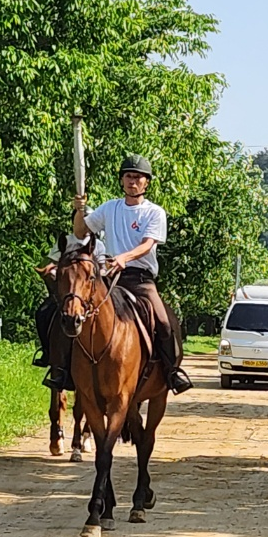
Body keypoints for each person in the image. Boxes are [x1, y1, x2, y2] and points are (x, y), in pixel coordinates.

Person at [45, 154, 193, 395]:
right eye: (128, 176)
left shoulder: (154, 212)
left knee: (164, 321)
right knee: (72, 314)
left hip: (140, 279)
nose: (132, 181)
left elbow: (148, 244)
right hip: (108, 279)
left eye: (137, 177)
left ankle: (171, 372)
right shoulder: (110, 207)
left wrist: (125, 257)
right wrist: (79, 210)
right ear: (121, 180)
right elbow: (81, 231)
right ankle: (62, 369)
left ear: (147, 182)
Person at [32, 234, 106, 372]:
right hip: (67, 289)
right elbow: (52, 263)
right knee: (43, 312)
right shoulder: (66, 241)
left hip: (89, 290)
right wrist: (51, 271)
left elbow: (103, 267)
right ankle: (48, 354)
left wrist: (101, 273)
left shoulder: (98, 245)